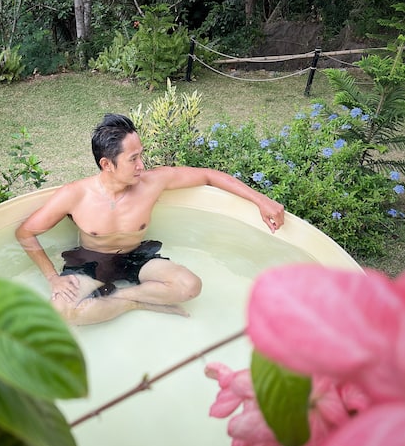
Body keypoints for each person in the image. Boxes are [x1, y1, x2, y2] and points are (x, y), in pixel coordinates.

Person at [15, 113, 285, 325]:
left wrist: (261, 200)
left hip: (136, 258)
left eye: (141, 155)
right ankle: (136, 303)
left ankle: (120, 297)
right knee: (62, 312)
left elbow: (208, 175)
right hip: (91, 262)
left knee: (190, 286)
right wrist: (53, 278)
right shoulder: (75, 195)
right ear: (107, 164)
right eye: (133, 159)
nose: (141, 165)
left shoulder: (152, 182)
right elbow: (25, 232)